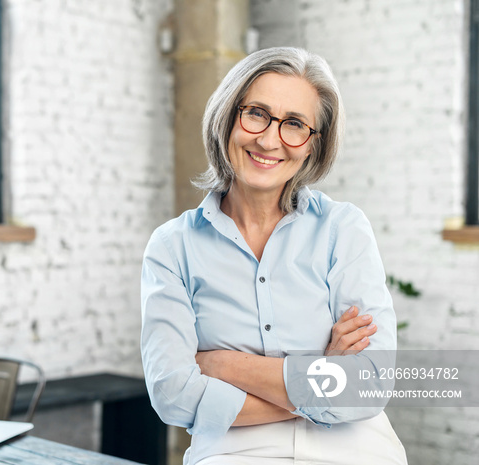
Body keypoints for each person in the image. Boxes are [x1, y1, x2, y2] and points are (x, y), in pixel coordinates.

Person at [140, 47, 408, 465]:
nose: (268, 140)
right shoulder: (173, 246)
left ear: (313, 146)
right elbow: (173, 395)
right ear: (229, 117)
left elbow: (367, 385)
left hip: (353, 445)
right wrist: (321, 374)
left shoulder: (343, 230)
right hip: (232, 448)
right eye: (256, 114)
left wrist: (223, 365)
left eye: (295, 124)